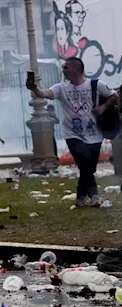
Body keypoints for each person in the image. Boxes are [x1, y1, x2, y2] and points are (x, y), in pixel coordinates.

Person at [30, 58, 117, 207]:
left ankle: (80, 196)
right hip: (73, 134)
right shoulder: (61, 88)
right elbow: (45, 93)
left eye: (66, 68)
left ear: (76, 70)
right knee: (84, 163)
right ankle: (94, 196)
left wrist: (102, 108)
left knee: (89, 167)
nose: (63, 70)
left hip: (94, 133)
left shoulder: (95, 84)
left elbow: (114, 96)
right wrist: (35, 89)